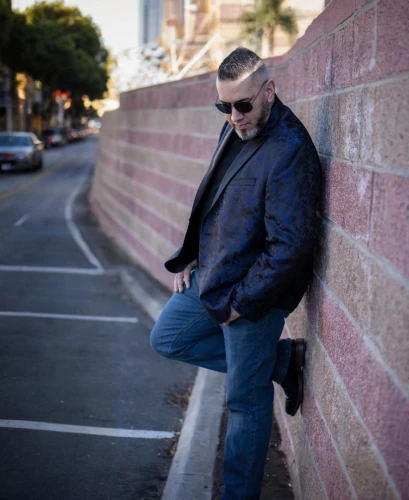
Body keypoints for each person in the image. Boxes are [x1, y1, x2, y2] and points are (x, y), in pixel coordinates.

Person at [150, 47, 321, 499]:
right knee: (168, 337)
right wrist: (192, 257)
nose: (234, 117)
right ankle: (284, 361)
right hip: (213, 273)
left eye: (243, 104)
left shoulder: (289, 149)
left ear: (269, 90)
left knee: (244, 403)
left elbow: (291, 246)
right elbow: (220, 202)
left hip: (252, 295)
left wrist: (241, 305)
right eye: (224, 106)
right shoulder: (240, 127)